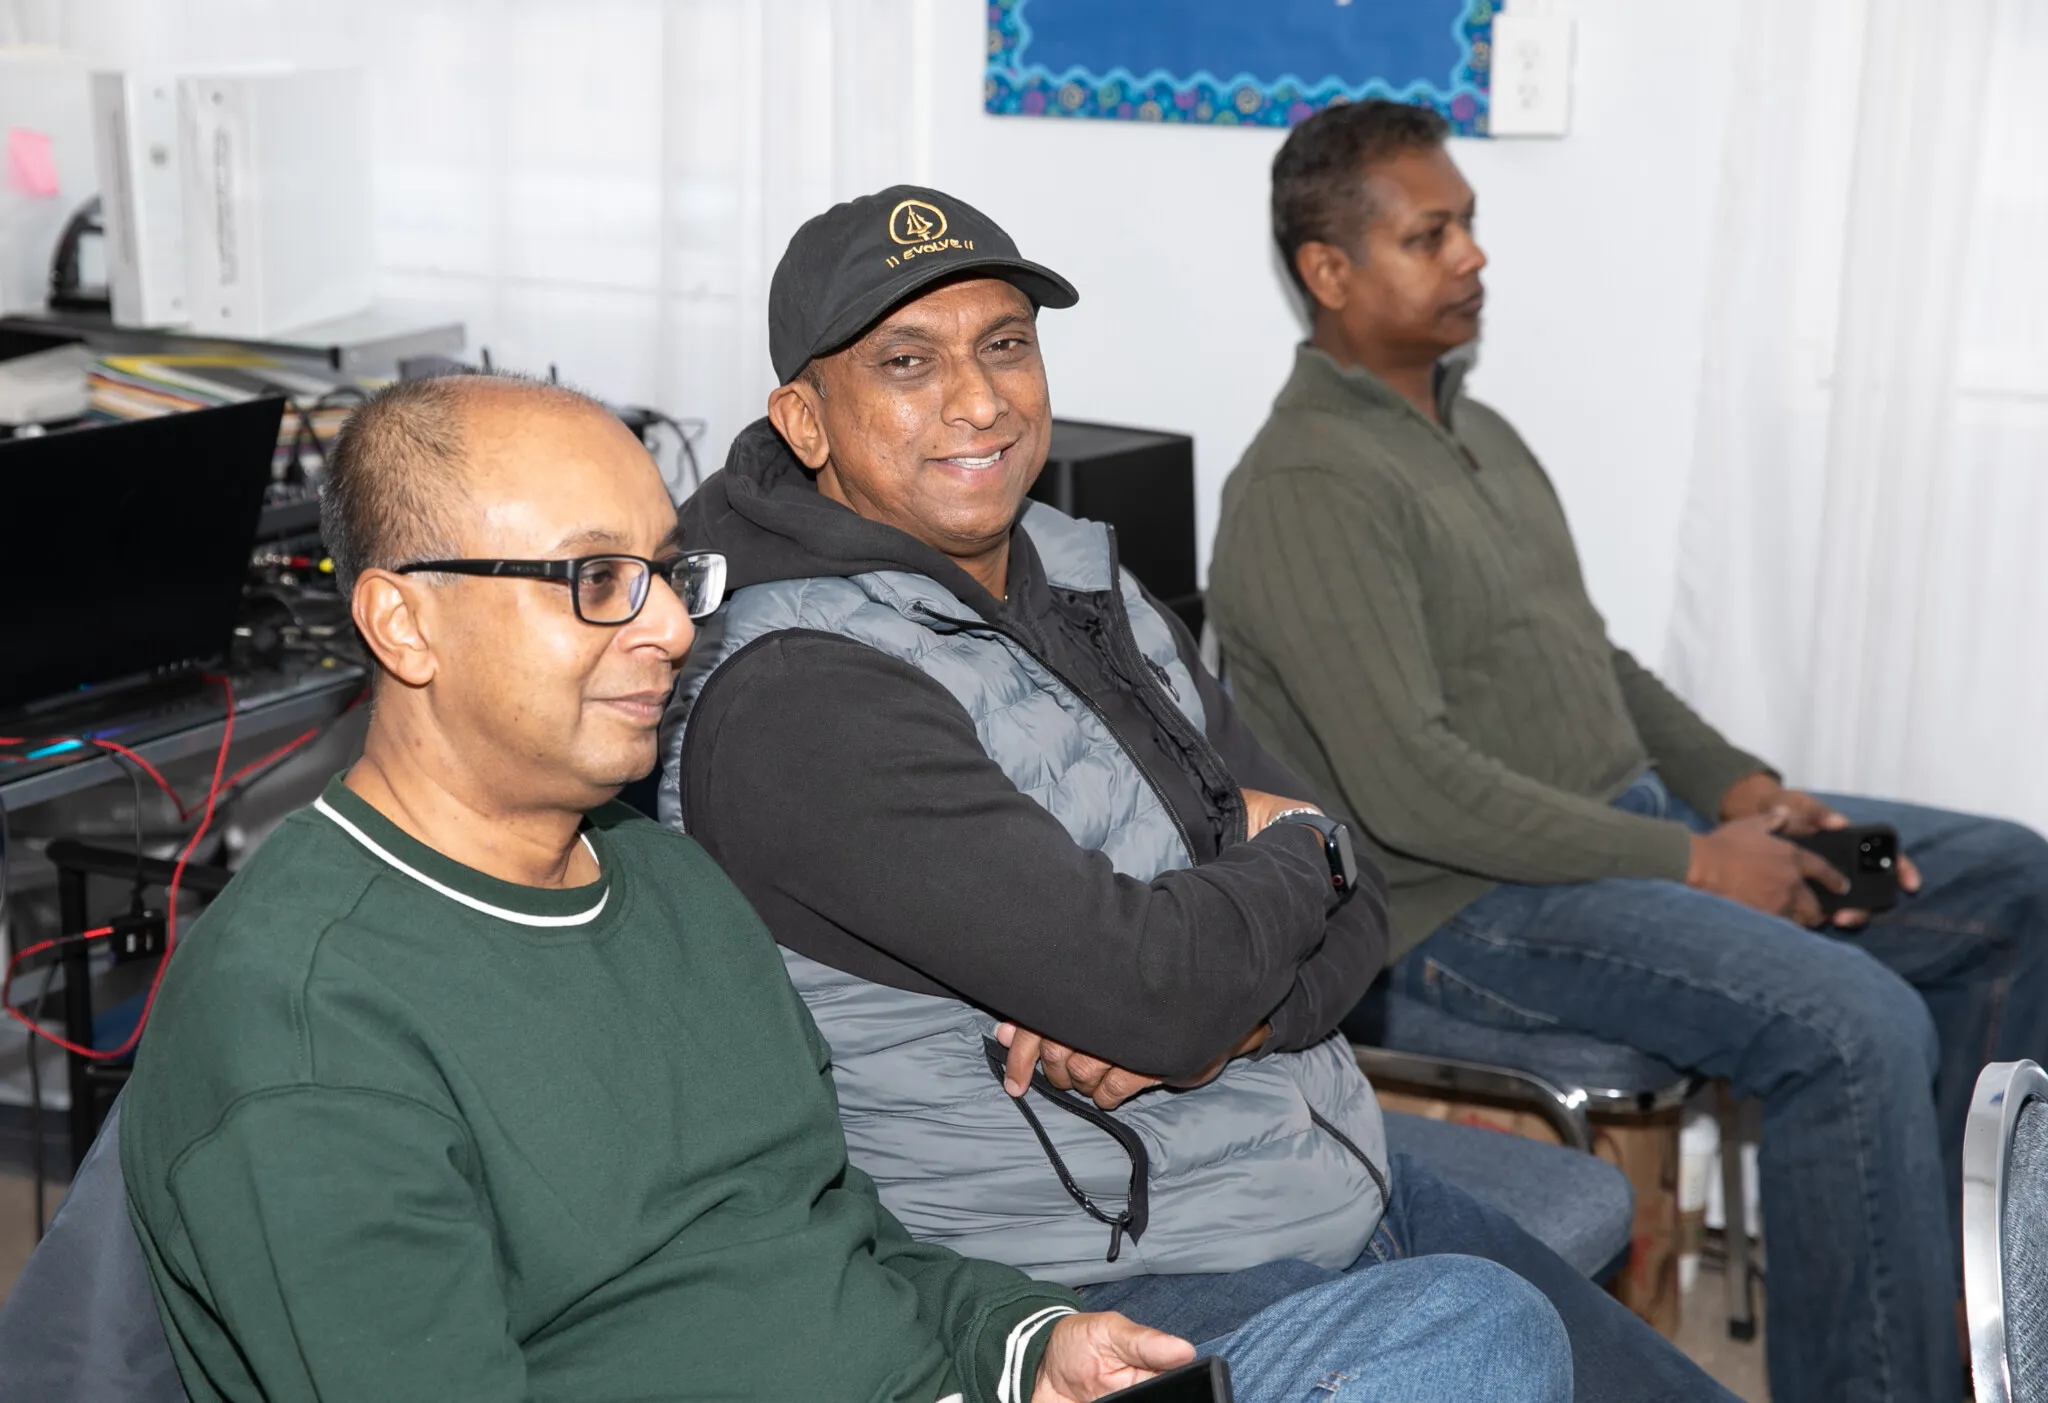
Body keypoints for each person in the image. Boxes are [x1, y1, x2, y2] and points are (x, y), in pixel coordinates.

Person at [116, 372, 1572, 1403]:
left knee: (1463, 1326)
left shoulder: (664, 885)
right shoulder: (303, 1027)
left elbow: (835, 1230)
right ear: (402, 620)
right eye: (593, 580)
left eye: (667, 572)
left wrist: (1022, 1340)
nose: (667, 627)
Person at [661, 185, 1729, 1403]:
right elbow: (1164, 977)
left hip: (1325, 1170)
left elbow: (1352, 906)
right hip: (1098, 1272)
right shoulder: (799, 693)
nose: (979, 399)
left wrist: (1234, 1008)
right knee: (1479, 1335)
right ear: (804, 420)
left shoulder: (1082, 576)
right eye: (907, 363)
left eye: (1003, 343)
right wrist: (1290, 864)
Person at [1205, 98, 2048, 1403]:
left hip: (1614, 827)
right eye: (1430, 235)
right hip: (1464, 908)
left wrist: (1744, 788)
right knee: (1852, 1022)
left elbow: (1593, 657)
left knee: (2005, 882)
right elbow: (1413, 790)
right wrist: (1700, 859)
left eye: (1468, 223)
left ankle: (1955, 1301)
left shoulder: (1474, 431)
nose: (1473, 254)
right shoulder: (1306, 484)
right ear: (1329, 270)